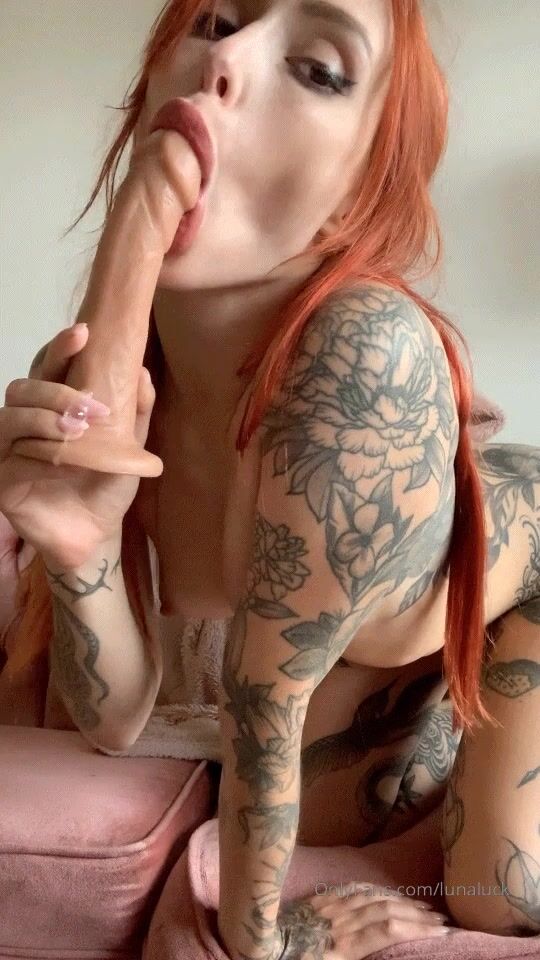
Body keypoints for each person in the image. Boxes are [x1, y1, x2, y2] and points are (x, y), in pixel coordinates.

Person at [0, 2, 538, 958]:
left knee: (501, 891)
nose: (229, 54)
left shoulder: (364, 358)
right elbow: (116, 717)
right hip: (360, 644)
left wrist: (271, 944)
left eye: (320, 68)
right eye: (215, 18)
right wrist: (79, 550)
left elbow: (264, 709)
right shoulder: (128, 380)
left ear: (359, 190)